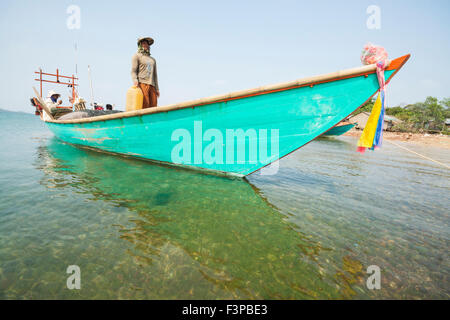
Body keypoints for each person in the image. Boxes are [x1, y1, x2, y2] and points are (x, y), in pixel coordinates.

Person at [131, 37, 159, 108]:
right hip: (142, 83)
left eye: (147, 44)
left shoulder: (153, 59)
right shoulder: (136, 56)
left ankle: (152, 119)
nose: (146, 45)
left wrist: (157, 89)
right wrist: (135, 80)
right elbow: (133, 71)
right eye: (144, 44)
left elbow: (155, 75)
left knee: (153, 106)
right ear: (140, 45)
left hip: (152, 85)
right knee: (144, 105)